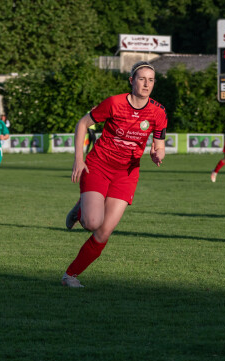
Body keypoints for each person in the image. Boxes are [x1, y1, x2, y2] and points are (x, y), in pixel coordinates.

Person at [62, 61, 167, 288]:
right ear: (132, 81)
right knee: (91, 222)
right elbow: (83, 123)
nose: (146, 83)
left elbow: (160, 145)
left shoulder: (158, 112)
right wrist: (78, 159)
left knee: (104, 231)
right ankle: (82, 208)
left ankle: (70, 275)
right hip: (98, 165)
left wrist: (157, 154)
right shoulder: (114, 103)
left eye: (151, 80)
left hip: (126, 174)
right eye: (142, 79)